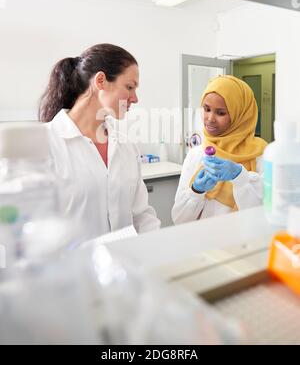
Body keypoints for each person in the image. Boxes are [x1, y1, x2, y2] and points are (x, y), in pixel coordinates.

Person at [39, 43, 161, 239]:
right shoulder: (44, 144)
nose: (135, 98)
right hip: (72, 267)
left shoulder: (126, 145)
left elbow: (141, 215)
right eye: (129, 87)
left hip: (125, 264)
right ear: (101, 81)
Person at [172, 75, 267, 224]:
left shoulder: (262, 155)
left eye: (220, 112)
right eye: (207, 109)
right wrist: (196, 191)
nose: (210, 118)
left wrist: (240, 177)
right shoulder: (196, 155)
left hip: (245, 245)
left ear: (240, 115)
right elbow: (178, 219)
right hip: (203, 244)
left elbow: (264, 215)